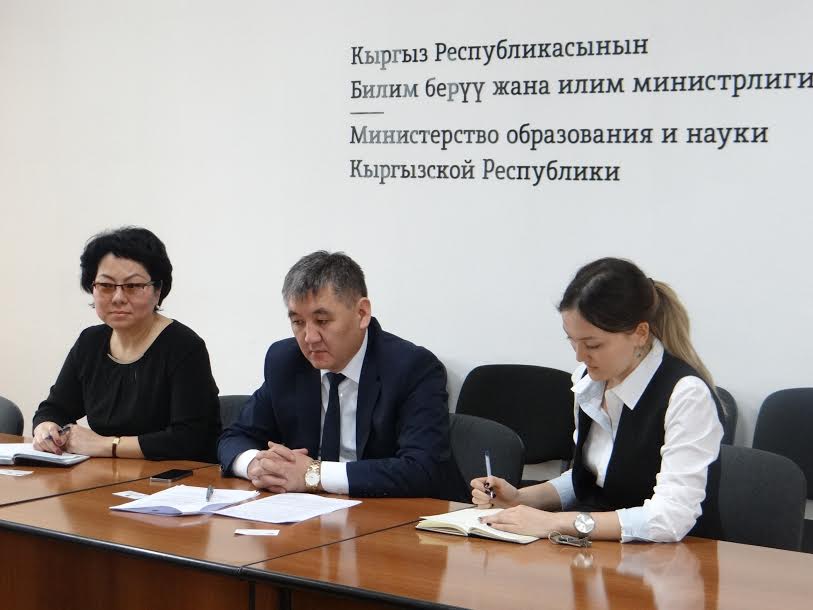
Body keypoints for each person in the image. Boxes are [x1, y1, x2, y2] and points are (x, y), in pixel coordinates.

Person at [471, 257, 723, 543]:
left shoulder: (686, 395)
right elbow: (590, 478)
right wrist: (520, 499)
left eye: (593, 344)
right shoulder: (589, 381)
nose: (580, 356)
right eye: (572, 340)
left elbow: (670, 518)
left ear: (640, 333)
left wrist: (555, 522)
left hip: (677, 557)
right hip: (606, 551)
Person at [218, 250, 454, 498]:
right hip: (306, 511)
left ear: (362, 313)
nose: (309, 338)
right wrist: (257, 465)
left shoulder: (412, 367)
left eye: (322, 321)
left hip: (385, 511)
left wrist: (313, 475)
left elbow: (423, 468)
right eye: (298, 322)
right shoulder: (285, 361)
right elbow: (234, 437)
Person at [32, 227, 221, 462]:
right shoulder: (90, 342)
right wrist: (46, 427)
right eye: (106, 285)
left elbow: (189, 439)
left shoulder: (184, 346)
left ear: (158, 290)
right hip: (106, 474)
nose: (118, 298)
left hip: (176, 476)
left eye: (133, 286)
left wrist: (105, 445)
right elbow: (54, 408)